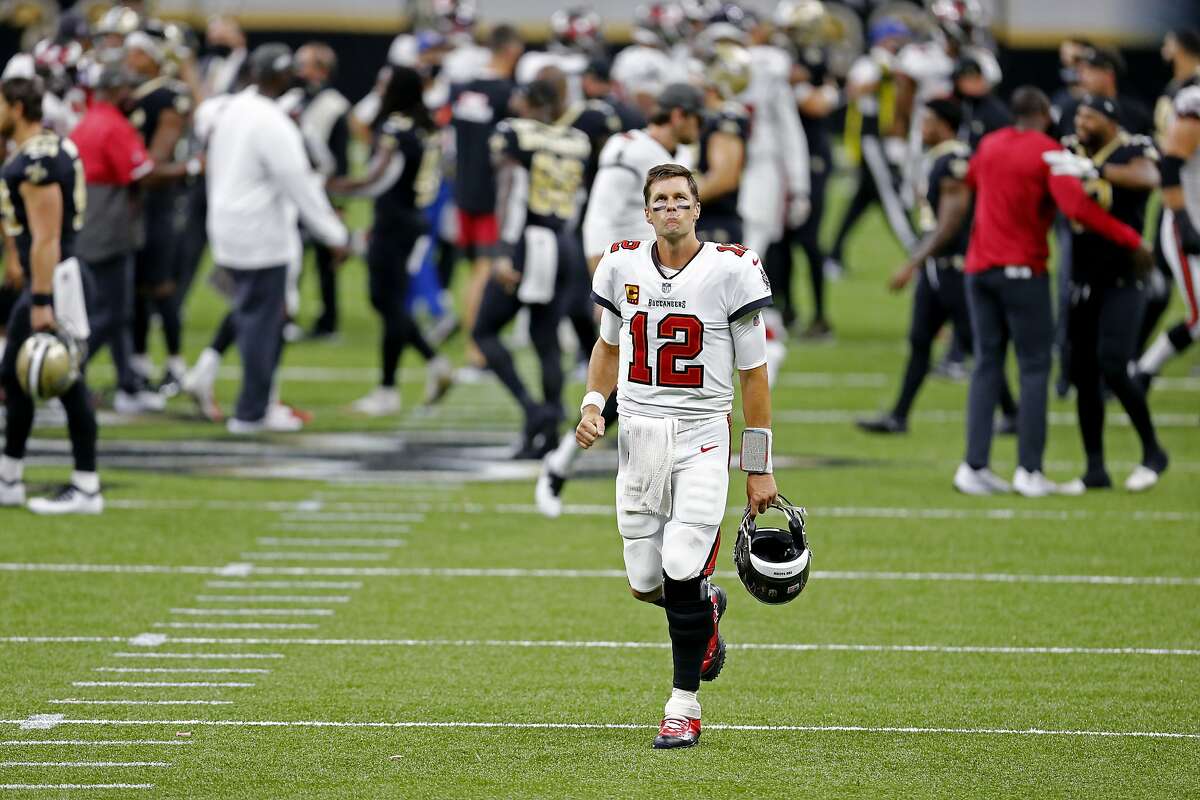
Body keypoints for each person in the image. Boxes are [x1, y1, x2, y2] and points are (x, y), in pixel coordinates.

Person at [576, 163, 778, 749]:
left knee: (684, 562)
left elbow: (754, 374)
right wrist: (594, 404)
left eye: (680, 199)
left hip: (702, 434)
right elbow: (608, 346)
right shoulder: (621, 263)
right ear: (646, 212)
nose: (670, 208)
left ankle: (681, 705)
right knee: (646, 580)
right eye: (659, 200)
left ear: (696, 208)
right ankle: (704, 609)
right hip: (638, 433)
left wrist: (758, 462)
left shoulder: (732, 269)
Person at [953, 87, 1150, 498]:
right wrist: (1130, 237)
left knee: (987, 363)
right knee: (1034, 367)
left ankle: (974, 466)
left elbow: (969, 182)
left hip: (978, 268)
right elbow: (1077, 208)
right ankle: (1029, 470)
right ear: (1044, 114)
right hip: (1023, 269)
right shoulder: (1047, 152)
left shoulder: (988, 144)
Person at [537, 82, 702, 518]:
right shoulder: (630, 150)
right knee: (629, 390)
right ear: (680, 115)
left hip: (664, 283)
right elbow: (599, 220)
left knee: (659, 386)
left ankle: (566, 464)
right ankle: (561, 464)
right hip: (628, 286)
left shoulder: (664, 159)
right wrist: (605, 291)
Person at [204, 43, 347, 433]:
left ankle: (234, 389)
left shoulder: (230, 108)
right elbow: (299, 183)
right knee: (263, 323)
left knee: (252, 315)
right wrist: (335, 233)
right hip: (259, 233)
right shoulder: (272, 122)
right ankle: (252, 411)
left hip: (226, 225)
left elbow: (203, 124)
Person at [858, 98, 1016, 435]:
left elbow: (950, 223)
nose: (922, 127)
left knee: (975, 343)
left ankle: (1013, 412)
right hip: (937, 268)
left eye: (927, 121)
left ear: (943, 124)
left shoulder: (955, 161)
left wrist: (912, 263)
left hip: (955, 269)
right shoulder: (939, 158)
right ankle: (899, 416)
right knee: (920, 340)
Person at [471, 77, 591, 459]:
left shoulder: (513, 133)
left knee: (484, 330)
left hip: (530, 243)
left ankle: (533, 410)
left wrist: (503, 251)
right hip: (567, 243)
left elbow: (512, 190)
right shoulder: (577, 140)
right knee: (546, 338)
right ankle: (550, 427)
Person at [0, 69, 102, 514]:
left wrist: (41, 301)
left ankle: (86, 486)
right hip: (57, 276)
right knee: (14, 377)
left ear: (17, 108)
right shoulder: (43, 148)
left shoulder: (36, 160)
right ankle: (10, 476)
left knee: (65, 379)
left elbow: (46, 237)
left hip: (57, 282)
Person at [326, 65, 454, 416]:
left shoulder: (396, 128)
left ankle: (392, 387)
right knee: (390, 303)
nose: (379, 91)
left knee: (388, 303)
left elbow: (376, 179)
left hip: (395, 223)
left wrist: (331, 186)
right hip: (413, 219)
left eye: (385, 85)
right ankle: (427, 367)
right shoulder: (426, 126)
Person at [1056, 96, 1167, 493]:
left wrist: (1094, 167)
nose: (1081, 121)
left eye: (1090, 116)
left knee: (1114, 365)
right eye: (1079, 114)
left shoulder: (1133, 147)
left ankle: (1153, 452)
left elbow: (1148, 177)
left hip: (1125, 276)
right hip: (1084, 278)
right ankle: (1094, 469)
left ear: (1111, 120)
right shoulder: (1070, 147)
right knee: (1083, 372)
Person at [449, 24, 524, 371]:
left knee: (475, 271)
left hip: (464, 190)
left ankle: (473, 343)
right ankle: (476, 348)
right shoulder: (505, 95)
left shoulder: (464, 89)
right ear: (509, 51)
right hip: (492, 196)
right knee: (484, 271)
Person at [124, 30, 194, 398]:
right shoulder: (130, 93)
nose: (128, 59)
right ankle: (137, 364)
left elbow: (156, 162)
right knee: (136, 286)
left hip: (160, 202)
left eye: (136, 53)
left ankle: (175, 365)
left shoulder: (166, 95)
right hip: (134, 200)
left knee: (161, 287)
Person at [286, 42, 352, 341]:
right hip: (290, 187)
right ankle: (286, 313)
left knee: (327, 259)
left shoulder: (335, 105)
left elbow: (341, 158)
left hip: (321, 188)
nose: (299, 71)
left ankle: (329, 320)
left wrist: (338, 204)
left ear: (322, 70)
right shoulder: (292, 99)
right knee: (291, 253)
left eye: (305, 64)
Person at [1135, 87, 1200, 388]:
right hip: (1190, 224)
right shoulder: (1194, 106)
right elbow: (1170, 166)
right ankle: (1145, 370)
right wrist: (1184, 220)